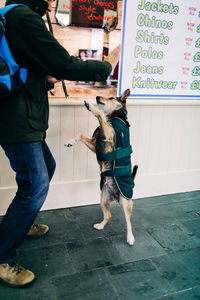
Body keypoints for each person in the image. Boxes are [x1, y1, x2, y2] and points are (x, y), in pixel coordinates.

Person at [0, 0, 113, 288]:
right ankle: (3, 256)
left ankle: (20, 226)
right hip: (18, 119)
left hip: (21, 114)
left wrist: (43, 79)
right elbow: (62, 62)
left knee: (44, 169)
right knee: (35, 184)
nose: (51, 3)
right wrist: (103, 67)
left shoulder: (12, 15)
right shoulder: (24, 17)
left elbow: (22, 67)